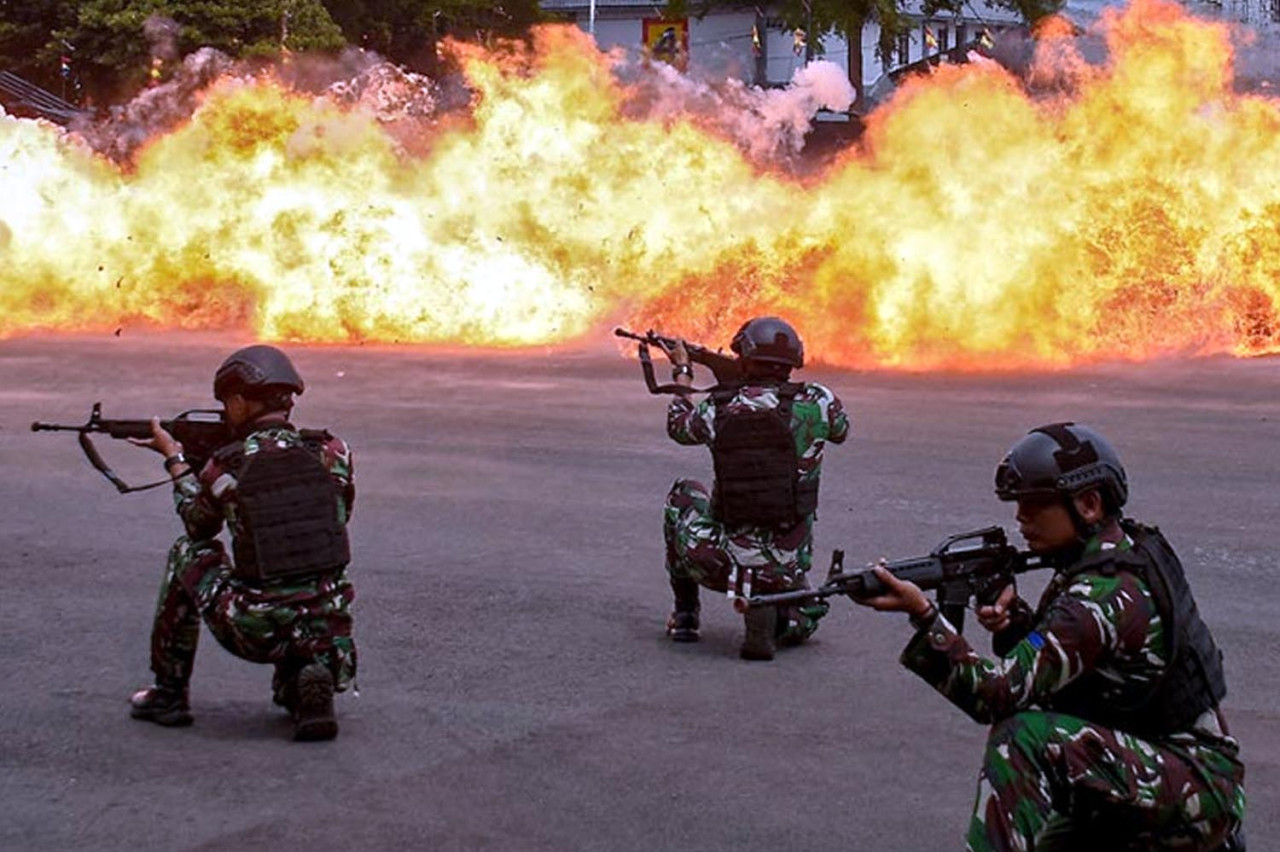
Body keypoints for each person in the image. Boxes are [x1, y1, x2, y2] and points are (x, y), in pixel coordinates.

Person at [853, 422, 1246, 851]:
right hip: (1153, 764)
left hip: (1192, 784)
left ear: (1089, 504)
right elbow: (1078, 660)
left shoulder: (1101, 596)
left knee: (1022, 738)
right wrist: (1016, 622)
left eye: (1034, 506)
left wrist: (926, 617)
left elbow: (996, 693)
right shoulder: (1121, 552)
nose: (1021, 519)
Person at [127, 345, 357, 742]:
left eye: (226, 403)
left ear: (238, 400)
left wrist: (176, 460)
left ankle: (169, 695)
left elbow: (198, 525)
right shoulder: (332, 452)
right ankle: (306, 684)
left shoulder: (228, 464)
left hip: (258, 628)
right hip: (328, 626)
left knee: (188, 552)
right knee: (305, 582)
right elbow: (337, 516)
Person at [656, 316, 850, 661]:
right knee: (804, 617)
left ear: (744, 358)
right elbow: (840, 430)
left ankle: (686, 617)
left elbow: (679, 426)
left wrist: (683, 370)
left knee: (682, 494)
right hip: (788, 562)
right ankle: (780, 606)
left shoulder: (718, 407)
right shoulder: (819, 401)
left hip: (723, 564)